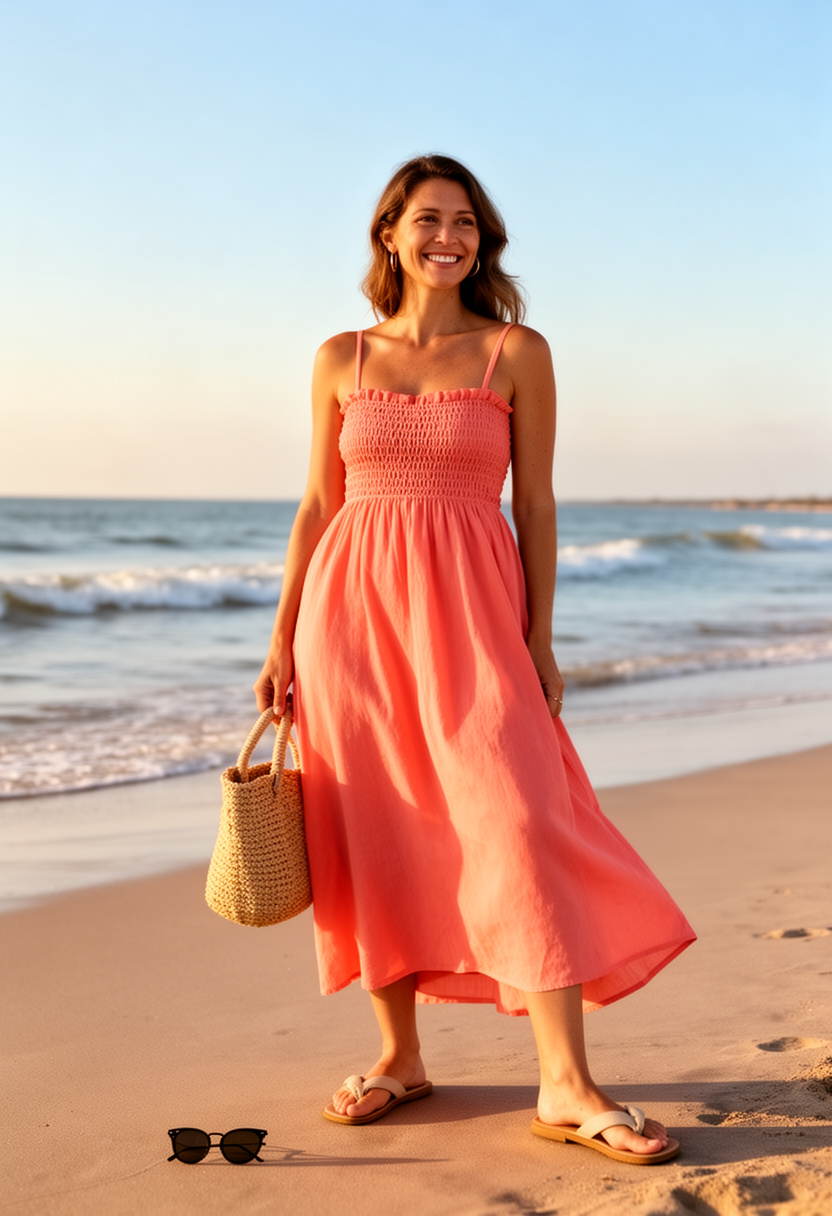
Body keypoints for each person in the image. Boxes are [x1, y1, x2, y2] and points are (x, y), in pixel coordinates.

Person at [254, 154, 695, 1164]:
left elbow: (534, 503)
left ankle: (564, 1081)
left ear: (481, 241)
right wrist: (280, 638)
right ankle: (399, 1055)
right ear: (390, 234)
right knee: (373, 826)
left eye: (464, 222)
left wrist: (538, 638)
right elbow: (319, 503)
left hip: (475, 616)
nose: (446, 236)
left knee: (516, 820)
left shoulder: (514, 352)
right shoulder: (340, 357)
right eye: (427, 219)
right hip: (349, 625)